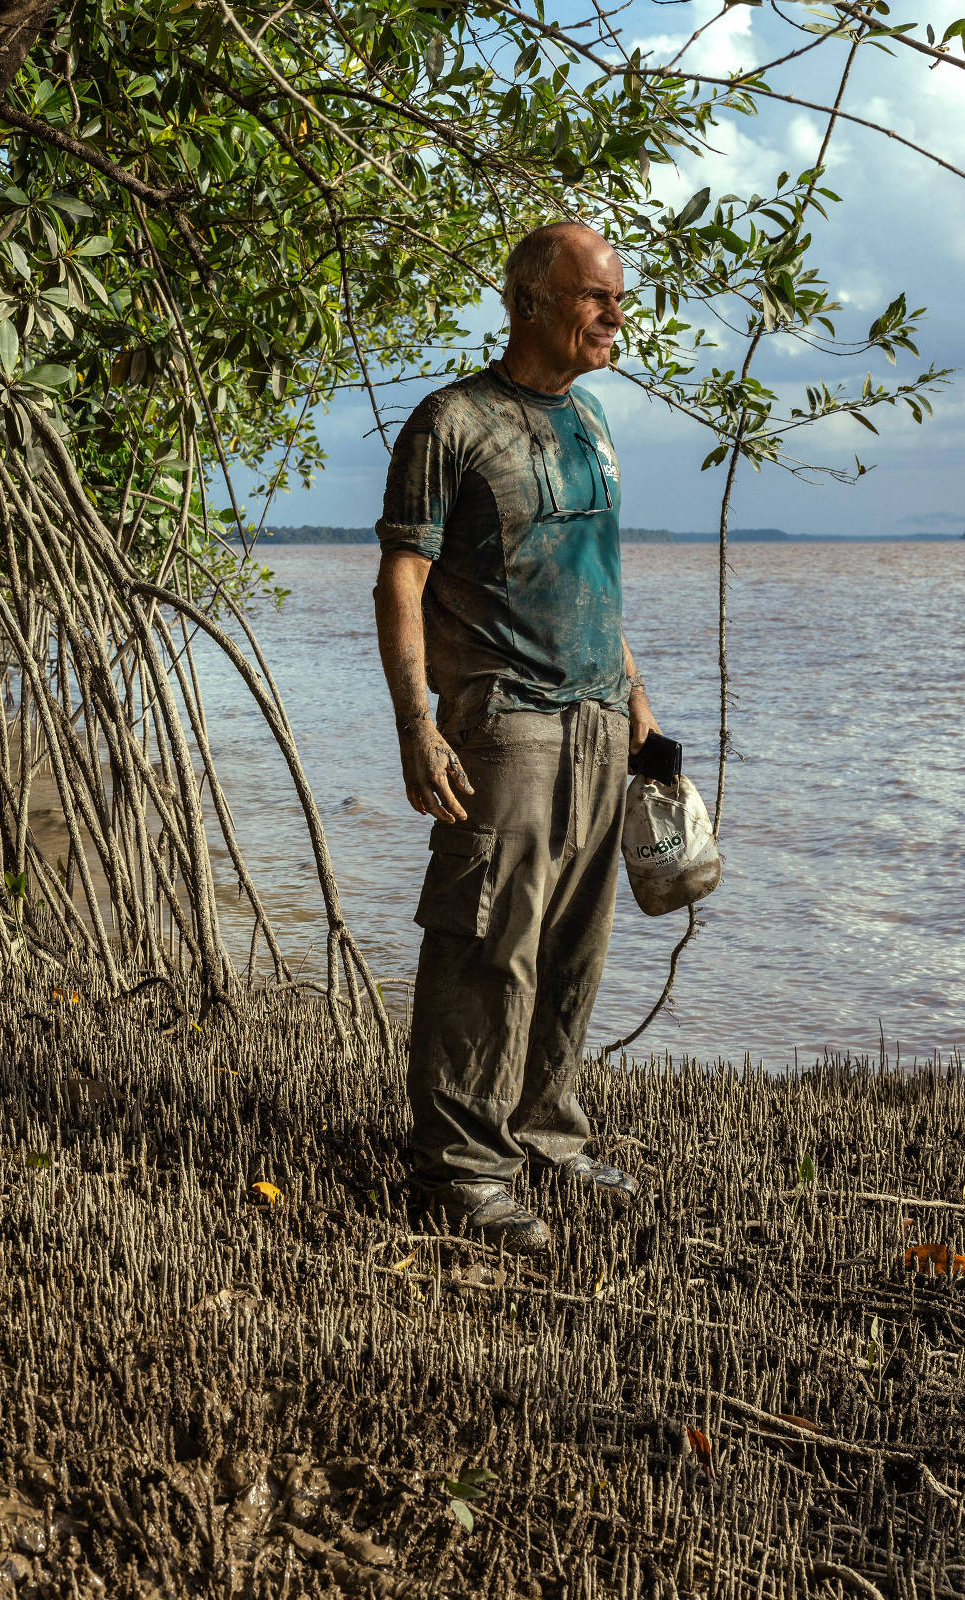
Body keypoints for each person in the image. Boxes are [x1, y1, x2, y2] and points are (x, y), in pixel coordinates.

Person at [370, 221, 657, 1254]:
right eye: (595, 296)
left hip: (596, 726)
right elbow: (400, 583)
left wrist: (641, 714)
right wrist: (417, 726)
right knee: (486, 946)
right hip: (505, 727)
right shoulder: (452, 424)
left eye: (618, 296)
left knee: (574, 952)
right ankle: (459, 1172)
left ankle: (544, 1136)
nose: (616, 315)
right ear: (529, 300)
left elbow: (598, 586)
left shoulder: (592, 427)